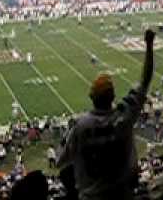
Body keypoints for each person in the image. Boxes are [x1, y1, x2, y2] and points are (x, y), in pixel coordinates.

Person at [56, 29, 155, 200]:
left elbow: (60, 161)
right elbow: (144, 81)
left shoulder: (81, 126)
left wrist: (66, 137)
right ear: (113, 97)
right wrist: (149, 46)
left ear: (91, 97)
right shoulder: (124, 116)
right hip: (122, 194)